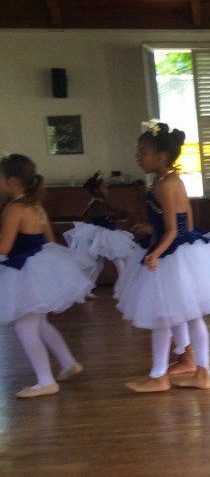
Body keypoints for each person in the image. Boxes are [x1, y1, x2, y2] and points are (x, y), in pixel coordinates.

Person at [116, 121, 210, 393]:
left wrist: (156, 254)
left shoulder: (165, 184)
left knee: (162, 317)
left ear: (161, 156)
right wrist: (153, 229)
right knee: (188, 317)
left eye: (143, 151)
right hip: (182, 250)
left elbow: (174, 230)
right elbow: (184, 221)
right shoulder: (167, 180)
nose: (138, 156)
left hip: (172, 254)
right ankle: (200, 372)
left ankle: (160, 376)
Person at [0, 153, 91, 398]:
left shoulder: (14, 208)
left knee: (24, 327)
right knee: (40, 324)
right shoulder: (36, 207)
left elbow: (4, 248)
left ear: (13, 181)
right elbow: (49, 241)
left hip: (24, 272)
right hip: (41, 268)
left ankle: (45, 380)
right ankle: (68, 363)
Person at [63, 171, 136, 297]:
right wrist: (128, 214)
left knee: (99, 264)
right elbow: (115, 211)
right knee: (118, 261)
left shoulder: (94, 203)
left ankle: (87, 290)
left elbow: (86, 215)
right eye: (103, 187)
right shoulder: (98, 204)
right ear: (97, 191)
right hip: (103, 236)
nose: (106, 189)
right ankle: (125, 288)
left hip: (101, 235)